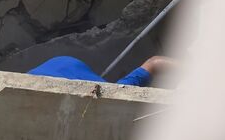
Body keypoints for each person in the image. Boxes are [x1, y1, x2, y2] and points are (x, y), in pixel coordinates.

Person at [29, 55, 175, 87]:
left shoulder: (117, 89)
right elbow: (155, 63)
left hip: (58, 65)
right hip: (60, 63)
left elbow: (155, 63)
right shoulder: (116, 91)